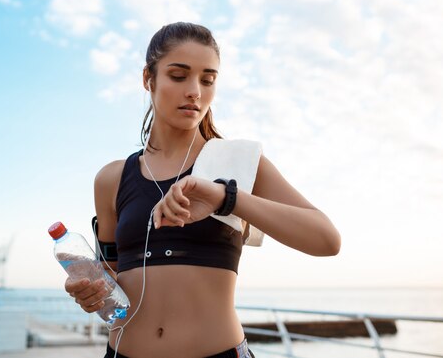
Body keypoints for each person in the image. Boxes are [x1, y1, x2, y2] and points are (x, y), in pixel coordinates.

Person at [65, 22, 341, 358]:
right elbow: (112, 273)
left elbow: (327, 239)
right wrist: (87, 289)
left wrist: (227, 198)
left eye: (207, 79)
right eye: (179, 76)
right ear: (148, 79)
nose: (195, 90)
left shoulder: (237, 162)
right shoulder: (112, 179)